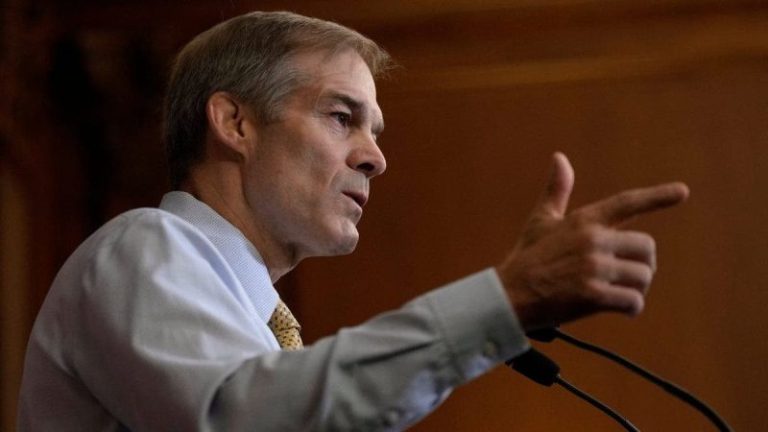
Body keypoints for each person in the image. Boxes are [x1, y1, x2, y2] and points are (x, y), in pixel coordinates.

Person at [17, 11, 689, 431]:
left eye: (375, 130)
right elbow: (244, 419)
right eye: (342, 117)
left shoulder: (255, 323)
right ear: (235, 122)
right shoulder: (142, 247)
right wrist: (503, 302)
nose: (376, 157)